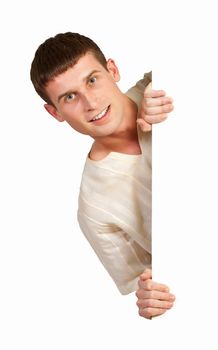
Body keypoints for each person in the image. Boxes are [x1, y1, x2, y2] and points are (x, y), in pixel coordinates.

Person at [30, 32, 175, 319]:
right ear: (54, 112)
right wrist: (149, 301)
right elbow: (149, 289)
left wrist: (157, 88)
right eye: (70, 97)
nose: (91, 103)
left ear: (113, 70)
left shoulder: (164, 80)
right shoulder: (94, 210)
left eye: (92, 80)